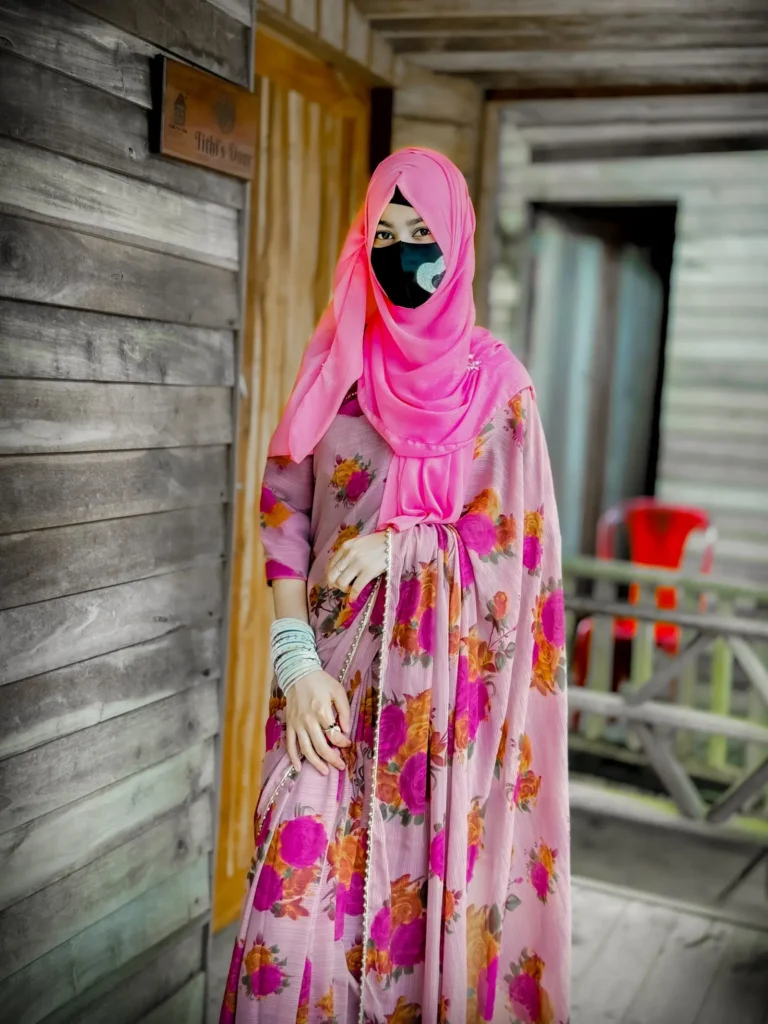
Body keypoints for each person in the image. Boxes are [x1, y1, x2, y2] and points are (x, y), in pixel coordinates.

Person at [220, 147, 570, 1024]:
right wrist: (295, 665)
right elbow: (282, 517)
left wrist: (405, 549)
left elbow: (519, 554)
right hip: (328, 700)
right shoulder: (338, 368)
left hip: (441, 730)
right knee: (288, 934)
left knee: (418, 944)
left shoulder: (498, 390)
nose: (402, 253)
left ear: (458, 242)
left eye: (421, 233)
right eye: (383, 234)